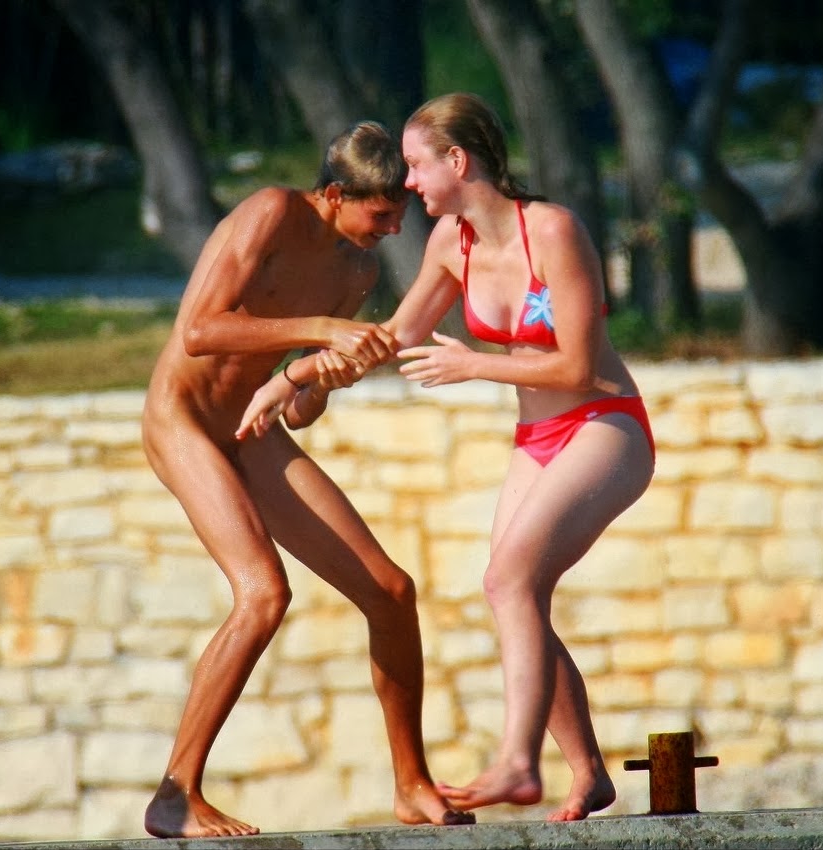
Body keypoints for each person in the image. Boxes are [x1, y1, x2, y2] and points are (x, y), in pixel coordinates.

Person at [239, 93, 655, 822]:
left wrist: (474, 366)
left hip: (605, 425)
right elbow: (394, 338)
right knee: (514, 591)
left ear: (457, 162)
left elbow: (579, 368)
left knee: (510, 579)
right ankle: (588, 772)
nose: (406, 183)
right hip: (537, 438)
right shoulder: (448, 243)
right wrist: (295, 375)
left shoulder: (552, 231)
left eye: (415, 165)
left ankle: (518, 763)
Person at [141, 120, 474, 838]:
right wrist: (323, 330)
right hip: (183, 418)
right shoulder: (271, 212)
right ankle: (175, 795)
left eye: (400, 215)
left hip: (252, 427)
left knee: (390, 591)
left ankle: (412, 784)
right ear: (334, 195)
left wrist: (323, 379)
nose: (393, 230)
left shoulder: (357, 272)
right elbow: (199, 332)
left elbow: (297, 411)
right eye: (380, 215)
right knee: (264, 593)